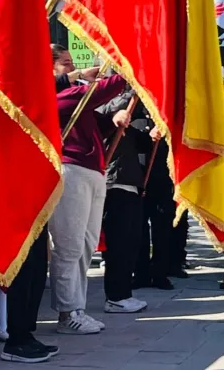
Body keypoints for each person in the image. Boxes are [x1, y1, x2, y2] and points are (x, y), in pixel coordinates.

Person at [49, 53, 127, 334]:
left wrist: (115, 120)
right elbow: (93, 94)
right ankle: (67, 311)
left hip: (92, 170)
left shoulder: (75, 98)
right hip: (71, 169)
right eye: (66, 64)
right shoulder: (53, 95)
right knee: (69, 245)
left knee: (85, 244)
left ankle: (77, 307)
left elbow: (95, 121)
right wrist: (129, 74)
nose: (73, 68)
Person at [99, 87, 151, 311]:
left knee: (131, 243)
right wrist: (135, 87)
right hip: (113, 183)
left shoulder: (127, 123)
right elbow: (107, 111)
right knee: (118, 244)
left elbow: (143, 143)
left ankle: (124, 293)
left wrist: (153, 135)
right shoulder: (103, 111)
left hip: (131, 184)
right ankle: (115, 296)